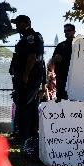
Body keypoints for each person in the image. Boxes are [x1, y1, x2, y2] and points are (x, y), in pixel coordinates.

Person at [9, 15, 45, 143]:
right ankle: (27, 134)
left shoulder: (32, 37)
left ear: (26, 24)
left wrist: (25, 75)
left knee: (25, 104)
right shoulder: (24, 38)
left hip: (30, 77)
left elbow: (33, 57)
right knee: (25, 104)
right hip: (25, 77)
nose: (16, 26)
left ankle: (25, 135)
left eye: (19, 23)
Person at [52, 23, 75, 101]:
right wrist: (56, 58)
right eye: (65, 31)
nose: (66, 32)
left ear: (74, 31)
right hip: (62, 79)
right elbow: (52, 61)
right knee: (61, 101)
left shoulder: (79, 45)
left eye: (68, 30)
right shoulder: (60, 46)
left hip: (75, 79)